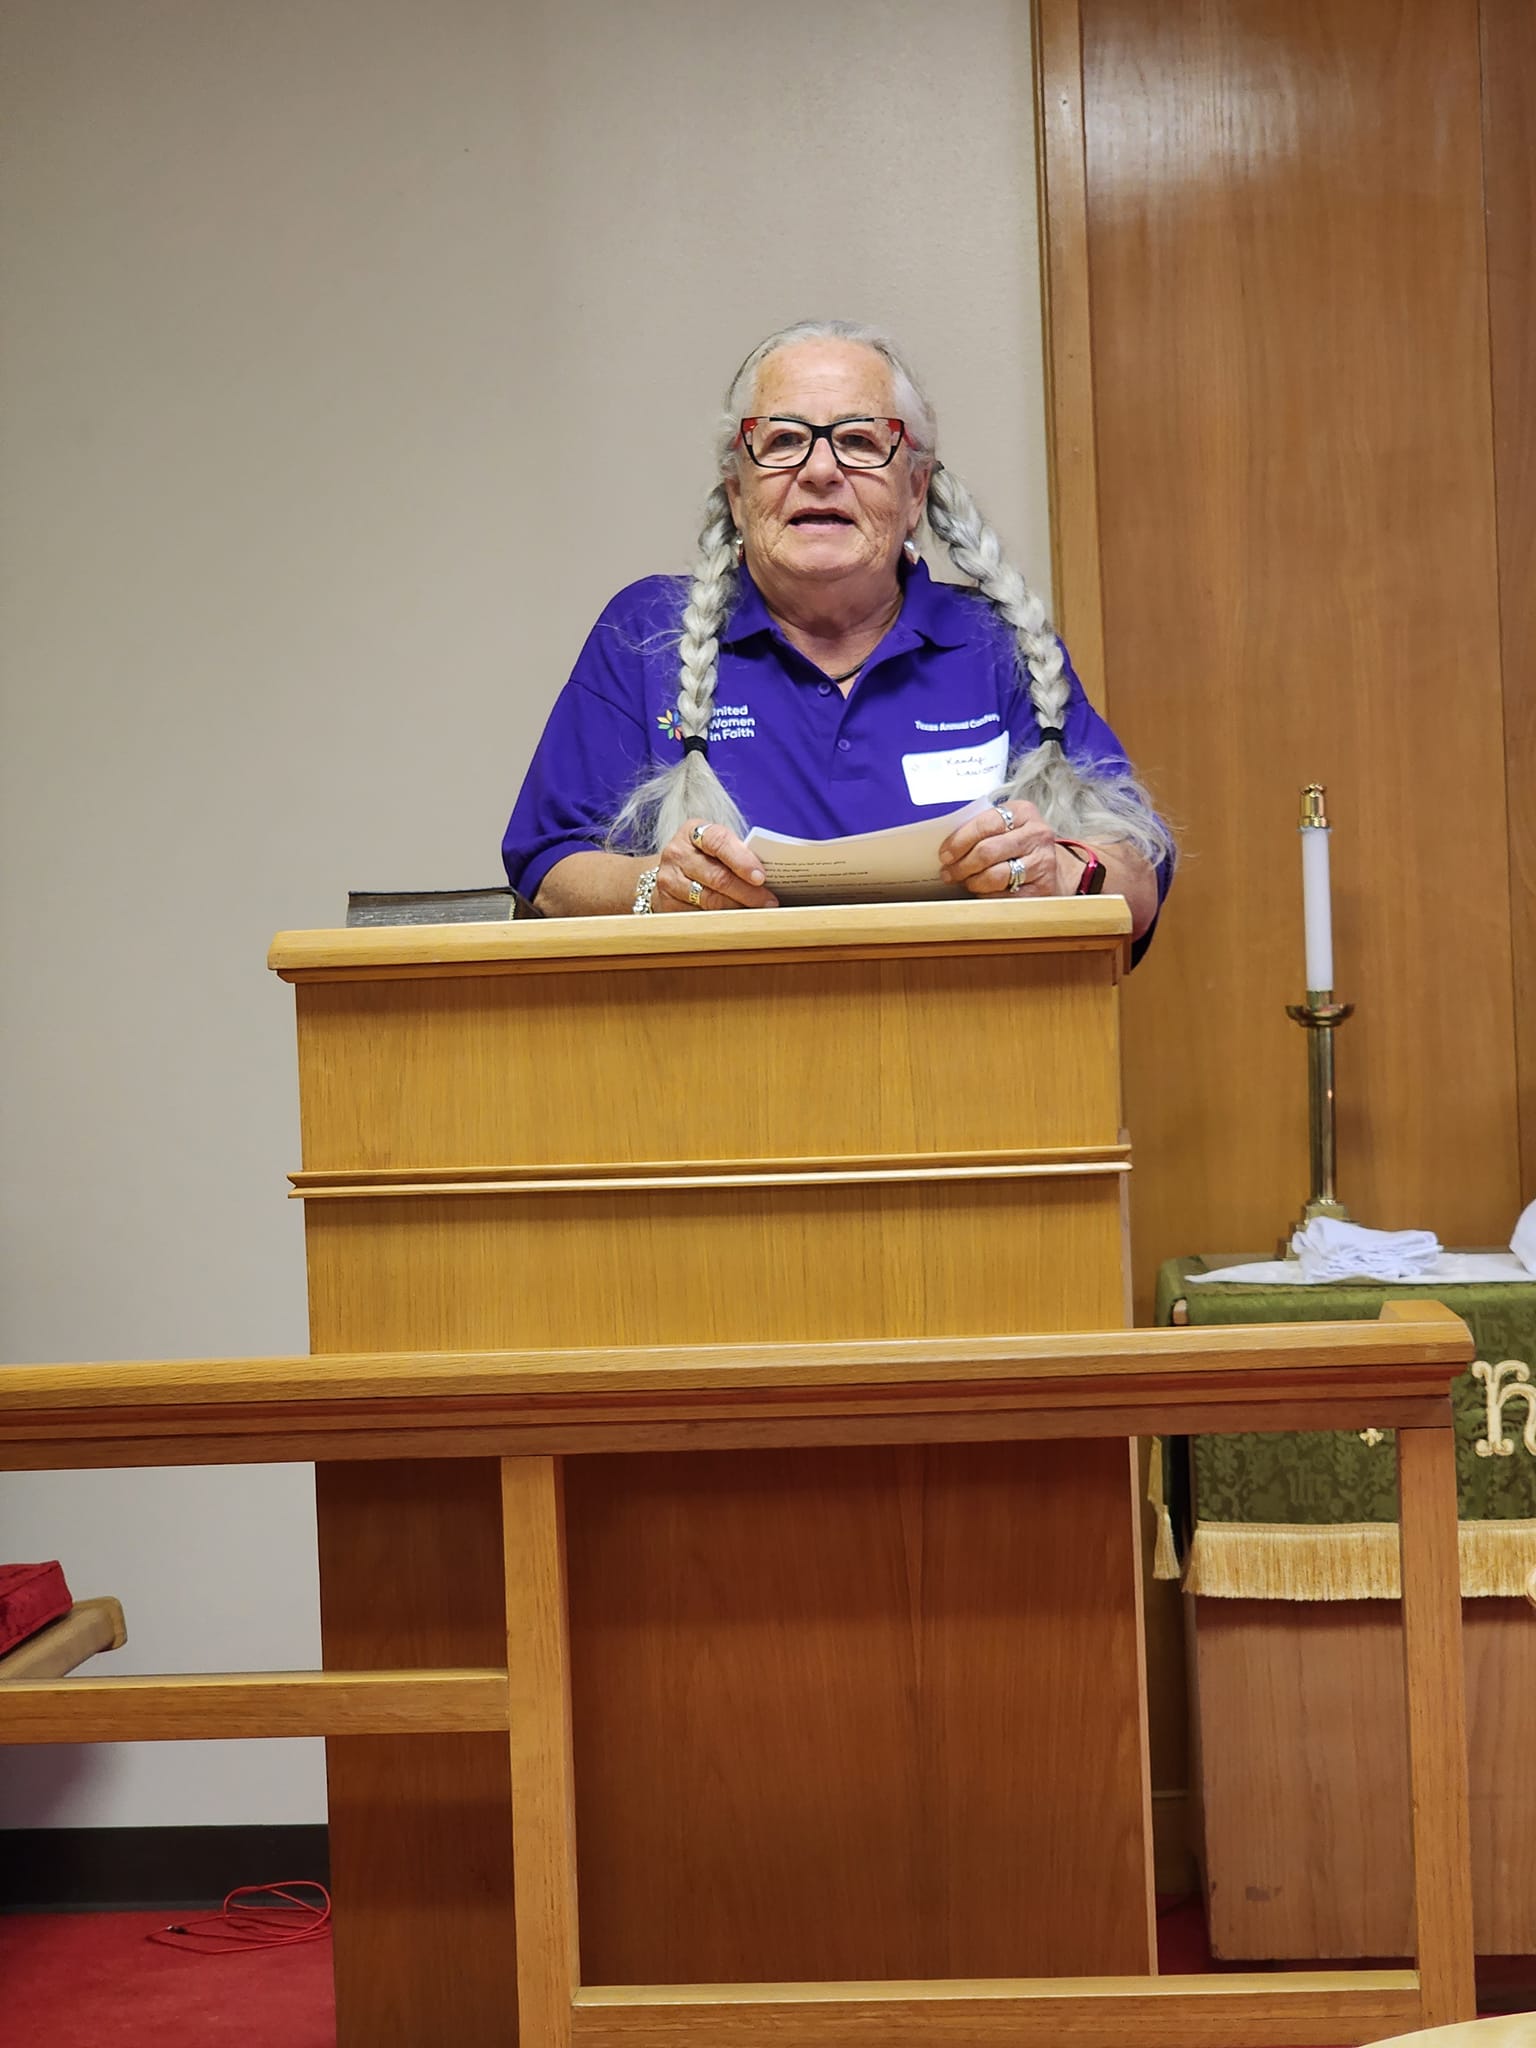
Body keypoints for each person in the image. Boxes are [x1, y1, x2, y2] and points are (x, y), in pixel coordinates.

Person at [502, 320, 1172, 953]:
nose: (820, 470)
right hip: (709, 1028)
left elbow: (1140, 881)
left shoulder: (999, 643)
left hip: (966, 1025)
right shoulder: (648, 631)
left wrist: (1062, 869)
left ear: (915, 491)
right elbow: (547, 869)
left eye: (858, 440)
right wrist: (656, 888)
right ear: (737, 493)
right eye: (782, 440)